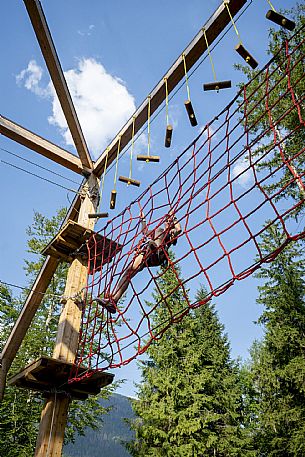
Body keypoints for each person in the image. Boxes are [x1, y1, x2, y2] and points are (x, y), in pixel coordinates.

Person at [96, 210, 182, 314]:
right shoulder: (157, 230)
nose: (167, 222)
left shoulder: (171, 233)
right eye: (167, 220)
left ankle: (155, 249)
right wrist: (143, 220)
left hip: (159, 255)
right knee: (128, 272)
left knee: (157, 237)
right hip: (146, 254)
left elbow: (179, 229)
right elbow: (145, 231)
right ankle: (113, 301)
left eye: (169, 221)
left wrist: (174, 217)